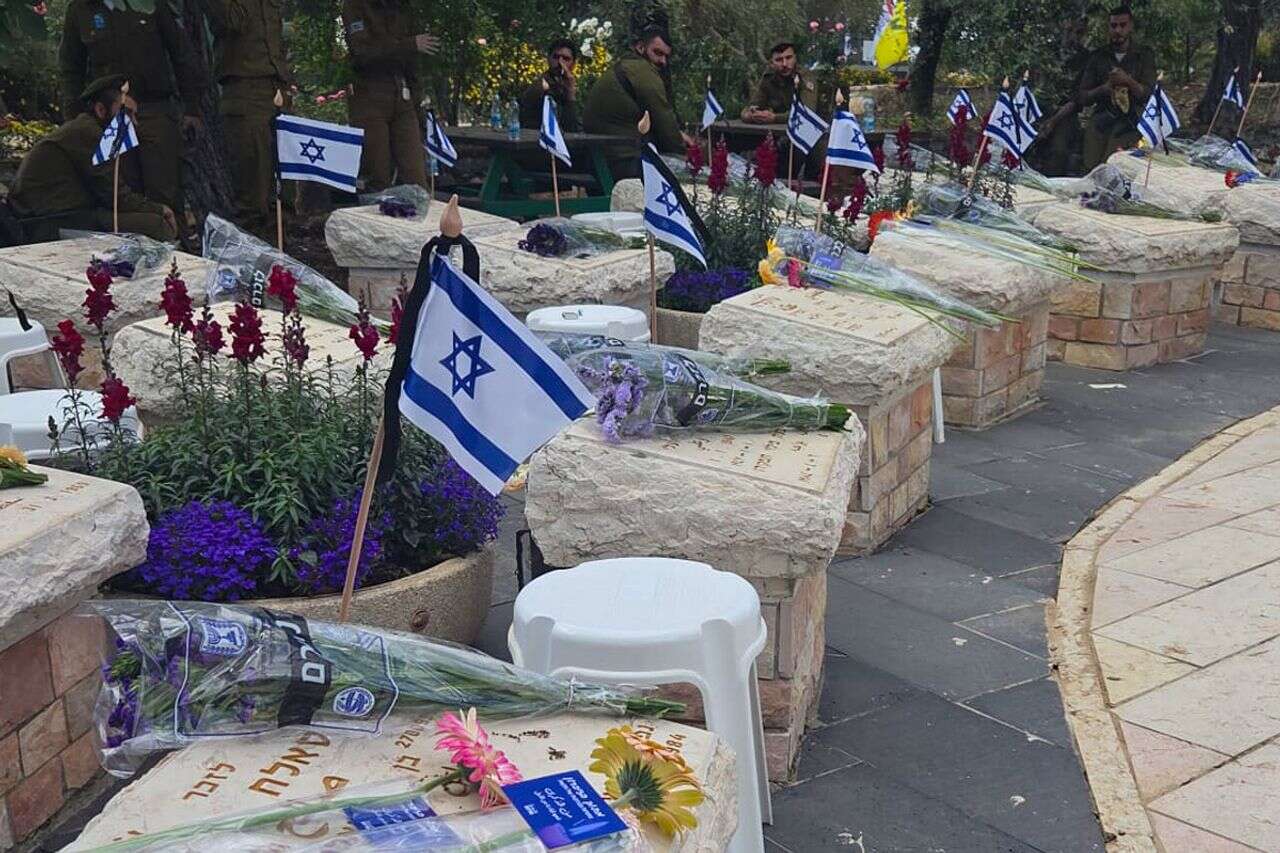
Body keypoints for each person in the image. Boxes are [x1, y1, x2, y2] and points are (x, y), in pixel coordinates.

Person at [57, 0, 204, 217]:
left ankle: (173, 245)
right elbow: (71, 68)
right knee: (122, 194)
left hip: (154, 109)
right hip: (110, 116)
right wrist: (74, 119)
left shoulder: (151, 4)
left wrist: (192, 108)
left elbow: (181, 54)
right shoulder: (81, 9)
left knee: (166, 192)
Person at [9, 75, 178, 241]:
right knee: (156, 225)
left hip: (60, 215)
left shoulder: (87, 129)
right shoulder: (89, 134)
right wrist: (159, 209)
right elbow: (116, 198)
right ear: (101, 110)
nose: (134, 123)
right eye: (126, 114)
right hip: (49, 221)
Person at [206, 0, 291, 240]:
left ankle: (282, 256)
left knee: (285, 184)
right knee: (253, 187)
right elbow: (231, 21)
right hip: (243, 89)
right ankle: (252, 255)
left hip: (276, 88)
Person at [582, 10, 694, 176]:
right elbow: (664, 121)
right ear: (640, 47)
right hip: (621, 160)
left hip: (601, 157)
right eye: (658, 53)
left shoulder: (626, 66)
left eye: (666, 56)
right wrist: (689, 154)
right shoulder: (643, 71)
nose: (663, 61)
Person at [342, 0, 439, 192]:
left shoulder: (402, 7)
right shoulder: (356, 6)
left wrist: (418, 100)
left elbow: (412, 61)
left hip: (402, 93)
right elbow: (363, 53)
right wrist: (409, 45)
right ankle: (375, 218)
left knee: (416, 178)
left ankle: (420, 214)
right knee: (377, 175)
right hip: (369, 95)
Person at [1077, 4, 1156, 170]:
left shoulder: (1144, 55)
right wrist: (1104, 89)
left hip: (1131, 121)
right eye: (1113, 26)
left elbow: (1149, 95)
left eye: (1122, 25)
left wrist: (1128, 81)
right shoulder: (1098, 57)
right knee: (1092, 167)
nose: (1118, 30)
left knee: (1114, 165)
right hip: (1102, 120)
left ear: (1130, 26)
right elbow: (1083, 97)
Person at [742, 42, 816, 123]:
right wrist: (752, 115)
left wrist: (775, 118)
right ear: (771, 63)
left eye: (788, 58)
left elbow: (806, 113)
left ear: (795, 58)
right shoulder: (769, 78)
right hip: (778, 130)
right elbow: (752, 106)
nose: (784, 64)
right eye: (779, 60)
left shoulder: (805, 77)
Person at [519, 39, 580, 133]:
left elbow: (573, 127)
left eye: (566, 59)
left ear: (573, 64)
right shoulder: (541, 86)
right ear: (548, 59)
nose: (560, 62)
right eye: (556, 57)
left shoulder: (566, 85)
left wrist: (570, 93)